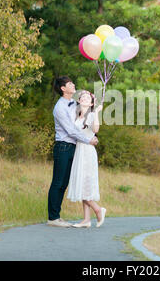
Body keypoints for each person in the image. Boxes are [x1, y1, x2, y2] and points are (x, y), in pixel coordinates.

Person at [47, 76, 99, 228]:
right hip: (63, 146)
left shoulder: (73, 104)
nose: (73, 84)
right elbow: (70, 130)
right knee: (58, 182)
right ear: (63, 88)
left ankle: (57, 216)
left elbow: (84, 110)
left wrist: (91, 99)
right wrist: (88, 140)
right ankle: (53, 217)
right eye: (70, 83)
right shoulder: (60, 108)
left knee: (64, 183)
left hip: (74, 147)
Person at [66, 90, 106, 228]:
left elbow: (95, 130)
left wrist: (97, 113)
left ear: (92, 103)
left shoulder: (91, 115)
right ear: (79, 100)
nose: (84, 98)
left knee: (85, 183)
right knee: (82, 183)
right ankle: (86, 219)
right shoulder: (77, 115)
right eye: (82, 97)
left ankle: (97, 209)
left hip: (87, 151)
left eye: (88, 97)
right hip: (79, 151)